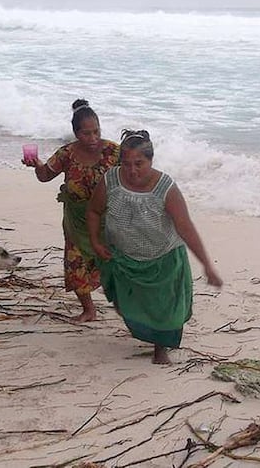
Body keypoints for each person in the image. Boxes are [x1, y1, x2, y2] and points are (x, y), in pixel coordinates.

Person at [87, 129, 223, 364]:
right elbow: (93, 210)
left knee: (166, 312)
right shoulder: (111, 180)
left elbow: (185, 226)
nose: (132, 170)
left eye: (139, 164)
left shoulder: (165, 187)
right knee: (125, 304)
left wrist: (207, 265)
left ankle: (161, 348)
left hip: (163, 257)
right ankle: (142, 328)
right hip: (123, 256)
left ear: (151, 160)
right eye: (126, 164)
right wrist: (95, 241)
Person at [23, 99, 119, 321]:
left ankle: (127, 307)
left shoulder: (114, 152)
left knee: (114, 264)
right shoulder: (67, 154)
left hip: (109, 219)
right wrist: (36, 164)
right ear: (76, 133)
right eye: (86, 134)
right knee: (76, 263)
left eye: (96, 132)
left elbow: (135, 172)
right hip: (77, 220)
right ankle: (88, 310)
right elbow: (45, 176)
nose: (93, 138)